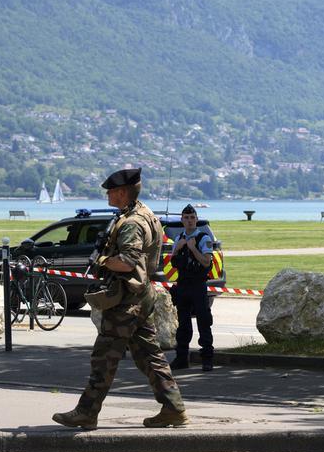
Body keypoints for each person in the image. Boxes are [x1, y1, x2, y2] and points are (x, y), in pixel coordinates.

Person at [52, 167, 188, 430]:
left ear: (123, 192)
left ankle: (86, 412)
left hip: (126, 300)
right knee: (149, 356)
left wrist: (102, 260)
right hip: (141, 295)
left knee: (104, 357)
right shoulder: (146, 214)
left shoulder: (132, 223)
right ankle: (173, 408)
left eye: (111, 191)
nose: (107, 195)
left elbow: (126, 262)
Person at [169, 203, 215, 372]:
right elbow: (174, 263)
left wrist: (193, 248)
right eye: (186, 218)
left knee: (204, 322)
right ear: (182, 220)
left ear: (196, 219)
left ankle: (207, 359)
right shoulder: (179, 238)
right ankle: (181, 358)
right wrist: (178, 248)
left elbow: (206, 262)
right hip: (182, 285)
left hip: (198, 285)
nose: (189, 221)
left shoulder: (204, 238)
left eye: (192, 218)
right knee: (183, 325)